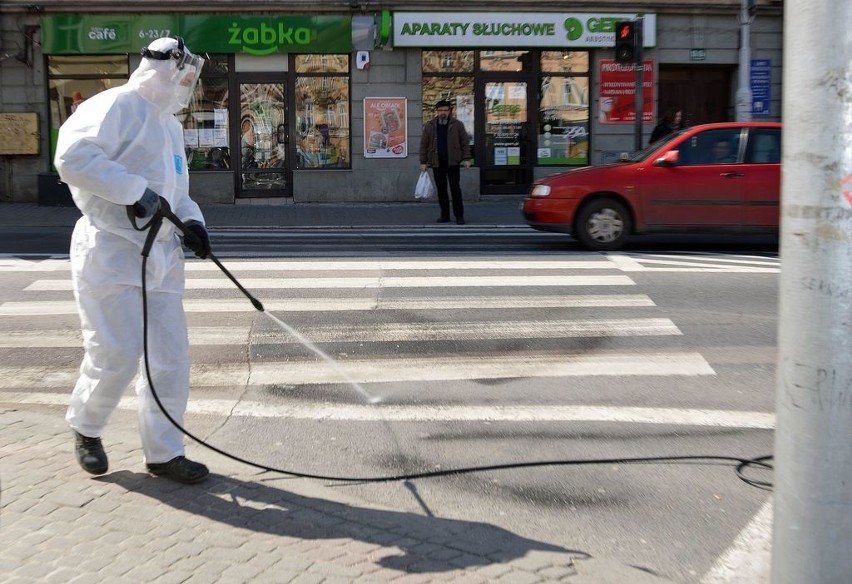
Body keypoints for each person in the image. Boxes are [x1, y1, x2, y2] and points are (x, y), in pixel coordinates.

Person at [54, 37, 212, 484]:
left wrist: (193, 223)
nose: (186, 82)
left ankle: (164, 452)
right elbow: (73, 157)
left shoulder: (171, 128)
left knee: (170, 358)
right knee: (117, 351)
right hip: (111, 250)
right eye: (181, 73)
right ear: (160, 68)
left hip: (161, 254)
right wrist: (132, 191)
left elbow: (176, 193)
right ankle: (86, 427)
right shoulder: (116, 105)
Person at [420, 99, 472, 225]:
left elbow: (464, 142)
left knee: (455, 189)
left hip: (453, 162)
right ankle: (445, 215)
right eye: (440, 110)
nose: (443, 112)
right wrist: (423, 161)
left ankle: (459, 216)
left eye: (445, 110)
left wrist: (466, 159)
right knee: (441, 190)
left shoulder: (457, 125)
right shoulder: (430, 125)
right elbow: (424, 144)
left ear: (449, 111)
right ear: (436, 111)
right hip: (437, 162)